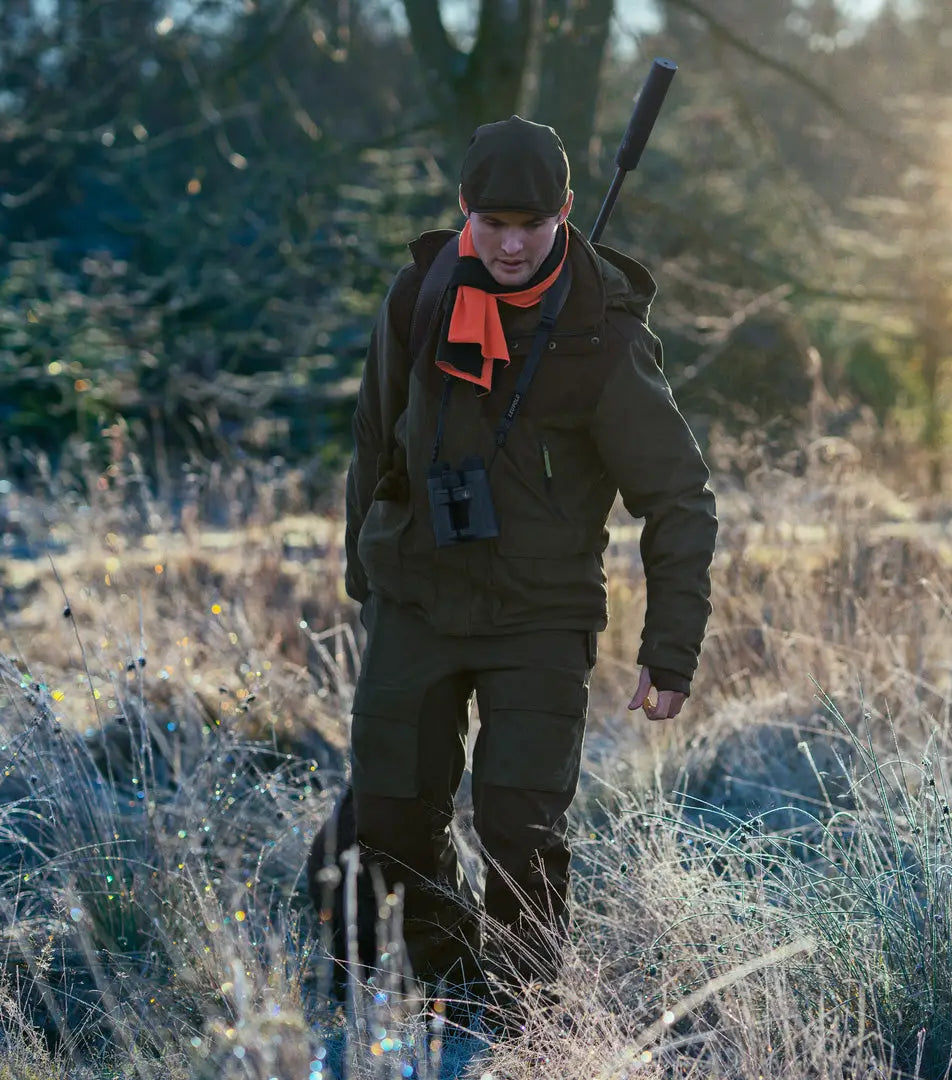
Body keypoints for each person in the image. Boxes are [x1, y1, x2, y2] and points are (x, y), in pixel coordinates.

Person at [328, 115, 717, 1029]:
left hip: (540, 613)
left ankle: (529, 1022)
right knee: (390, 816)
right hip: (416, 594)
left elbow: (680, 495)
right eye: (493, 222)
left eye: (531, 225)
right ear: (464, 208)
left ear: (567, 213)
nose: (510, 244)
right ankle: (458, 990)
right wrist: (365, 574)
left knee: (520, 829)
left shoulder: (603, 333)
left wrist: (671, 649)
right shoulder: (418, 293)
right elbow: (373, 436)